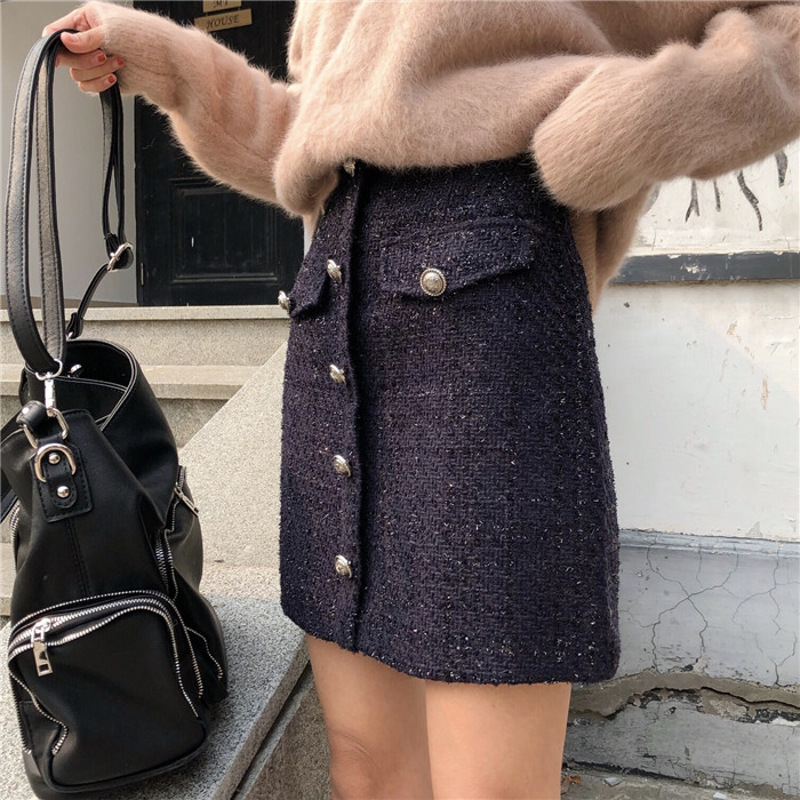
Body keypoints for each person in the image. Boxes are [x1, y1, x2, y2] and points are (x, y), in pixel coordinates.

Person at [43, 3, 799, 798]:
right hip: (335, 308)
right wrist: (166, 62)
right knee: (365, 767)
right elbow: (309, 135)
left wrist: (624, 125)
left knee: (490, 788)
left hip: (486, 322)